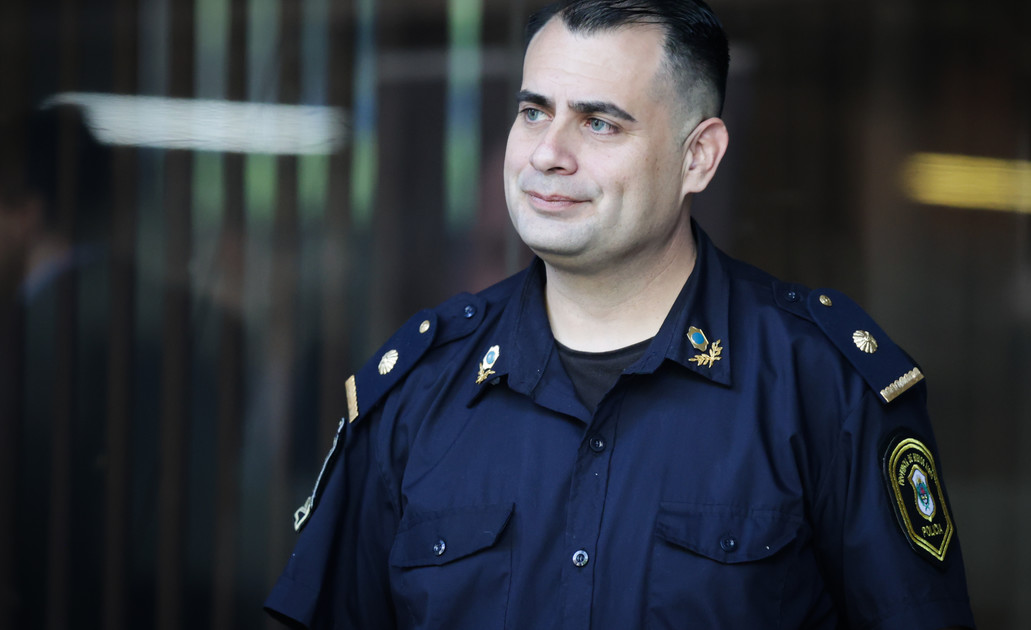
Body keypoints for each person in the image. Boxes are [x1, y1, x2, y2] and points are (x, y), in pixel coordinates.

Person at [265, 1, 975, 628]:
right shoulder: (419, 387)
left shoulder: (821, 385)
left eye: (599, 123)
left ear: (698, 158)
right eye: (533, 112)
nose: (548, 153)